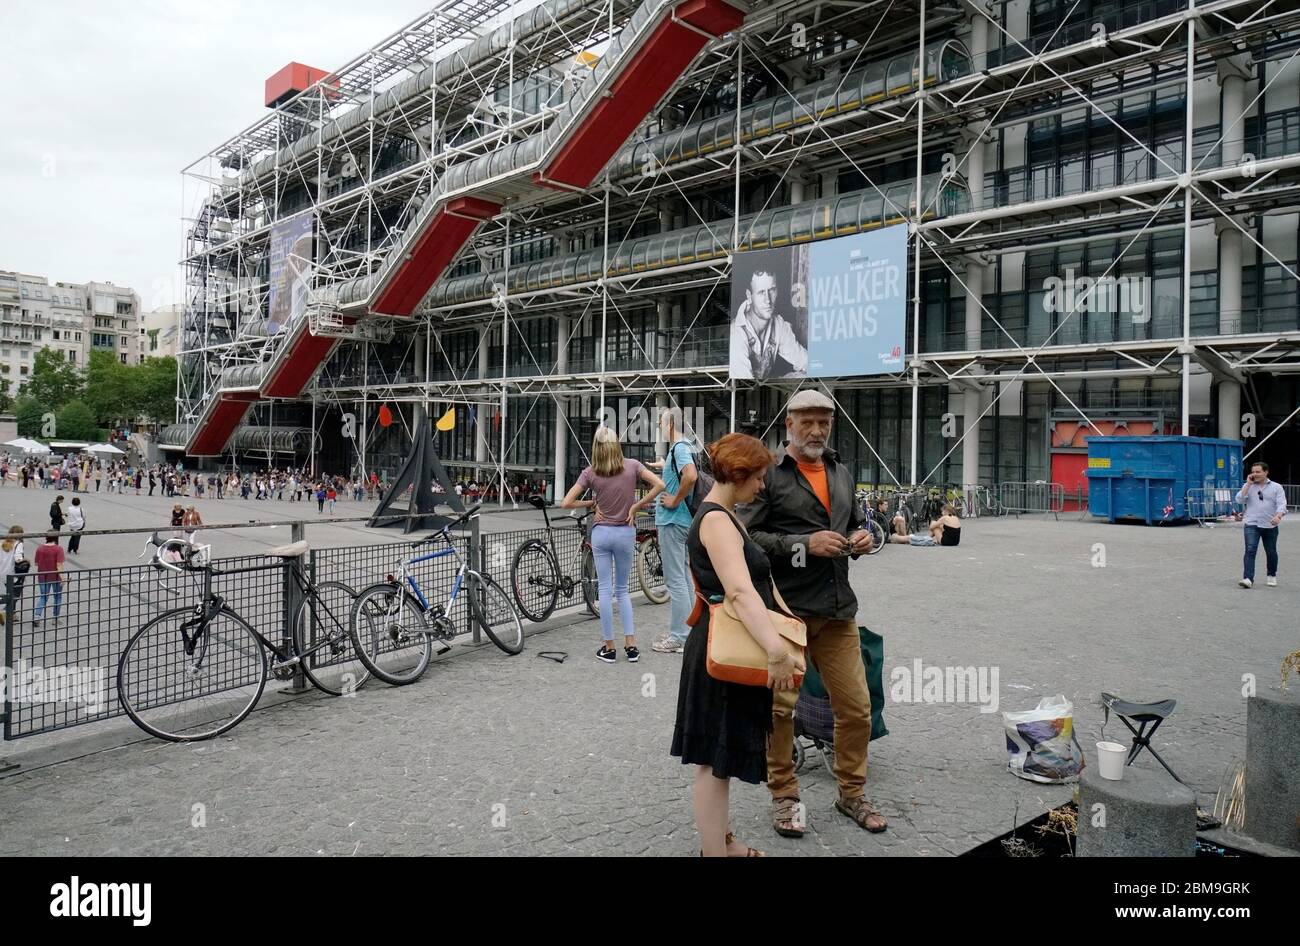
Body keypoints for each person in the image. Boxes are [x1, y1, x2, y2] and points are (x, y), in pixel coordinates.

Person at [739, 388, 887, 836]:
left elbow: (856, 524)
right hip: (788, 613)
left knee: (858, 709)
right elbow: (744, 537)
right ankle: (784, 797)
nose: (817, 429)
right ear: (789, 424)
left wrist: (863, 538)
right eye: (807, 420)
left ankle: (852, 794)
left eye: (824, 420)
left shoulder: (841, 471)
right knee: (780, 712)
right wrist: (803, 544)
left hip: (839, 611)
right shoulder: (770, 475)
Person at [670, 432, 804, 857]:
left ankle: (722, 844)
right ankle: (715, 853)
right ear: (740, 473)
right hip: (721, 650)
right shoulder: (716, 519)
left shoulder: (723, 516)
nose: (763, 485)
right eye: (759, 476)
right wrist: (777, 651)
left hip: (720, 645)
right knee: (714, 761)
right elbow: (741, 593)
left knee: (717, 758)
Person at [561, 426, 664, 663]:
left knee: (605, 591)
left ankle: (609, 647)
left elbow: (566, 502)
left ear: (596, 448)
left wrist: (592, 503)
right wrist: (637, 506)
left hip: (601, 533)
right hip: (625, 533)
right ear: (617, 444)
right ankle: (631, 645)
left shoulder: (590, 472)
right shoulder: (632, 465)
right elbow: (660, 484)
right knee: (623, 590)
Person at [650, 408, 698, 655]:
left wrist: (675, 500)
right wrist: (664, 465)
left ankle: (679, 637)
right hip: (685, 522)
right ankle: (690, 633)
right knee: (686, 579)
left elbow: (690, 475)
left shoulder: (678, 448)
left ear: (670, 424)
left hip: (673, 520)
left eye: (661, 422)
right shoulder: (685, 446)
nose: (659, 425)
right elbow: (683, 472)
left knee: (675, 580)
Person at [729, 269, 808, 380]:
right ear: (749, 295)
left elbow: (804, 361)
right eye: (761, 292)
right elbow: (744, 383)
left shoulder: (779, 325)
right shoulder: (736, 334)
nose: (768, 300)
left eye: (772, 290)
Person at [1237, 461, 1286, 588]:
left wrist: (1278, 516)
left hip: (1270, 524)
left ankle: (1271, 574)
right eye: (1253, 472)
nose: (1255, 474)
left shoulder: (1276, 487)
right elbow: (1239, 499)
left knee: (1271, 551)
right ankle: (1248, 578)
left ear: (1266, 472)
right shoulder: (1249, 486)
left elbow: (1282, 504)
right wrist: (1248, 484)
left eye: (1258, 472)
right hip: (1252, 523)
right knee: (1250, 550)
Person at [33, 532, 65, 628]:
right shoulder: (58, 549)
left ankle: (37, 616)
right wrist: (62, 577)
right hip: (55, 577)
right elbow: (59, 564)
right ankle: (55, 618)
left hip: (43, 576)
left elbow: (36, 564)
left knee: (43, 597)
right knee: (57, 597)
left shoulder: (40, 548)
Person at [889, 504, 961, 546]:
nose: (941, 513)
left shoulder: (944, 518)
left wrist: (935, 523)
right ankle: (927, 538)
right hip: (956, 542)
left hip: (947, 542)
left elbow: (931, 527)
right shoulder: (956, 518)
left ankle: (926, 538)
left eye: (942, 511)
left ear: (946, 511)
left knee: (935, 526)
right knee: (939, 526)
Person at [0, 525, 30, 626]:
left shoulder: (3, 543)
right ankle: (4, 612)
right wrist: (26, 560)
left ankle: (12, 615)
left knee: (10, 592)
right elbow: (18, 559)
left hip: (3, 573)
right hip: (14, 574)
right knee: (15, 595)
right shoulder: (18, 544)